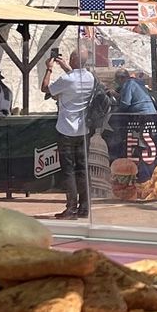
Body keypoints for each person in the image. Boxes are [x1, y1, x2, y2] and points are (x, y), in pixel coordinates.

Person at [43, 48, 95, 219]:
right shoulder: (89, 77)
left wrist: (49, 68)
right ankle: (84, 207)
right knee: (82, 168)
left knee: (69, 170)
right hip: (83, 130)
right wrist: (66, 67)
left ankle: (71, 208)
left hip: (66, 129)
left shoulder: (67, 79)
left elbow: (45, 88)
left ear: (72, 59)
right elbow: (76, 79)